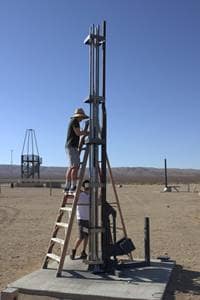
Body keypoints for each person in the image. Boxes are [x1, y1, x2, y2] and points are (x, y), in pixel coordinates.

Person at [64, 108, 89, 192]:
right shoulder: (75, 121)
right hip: (72, 146)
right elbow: (78, 133)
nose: (82, 119)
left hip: (71, 146)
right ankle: (73, 186)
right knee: (75, 166)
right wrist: (86, 132)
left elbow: (77, 133)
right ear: (79, 116)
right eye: (81, 117)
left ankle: (68, 186)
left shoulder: (74, 122)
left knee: (72, 166)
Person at [70, 179, 90, 260]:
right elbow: (73, 191)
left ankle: (83, 252)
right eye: (86, 186)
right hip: (81, 219)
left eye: (89, 186)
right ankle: (74, 251)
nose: (87, 188)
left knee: (87, 236)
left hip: (89, 219)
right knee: (81, 236)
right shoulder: (79, 194)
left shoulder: (91, 195)